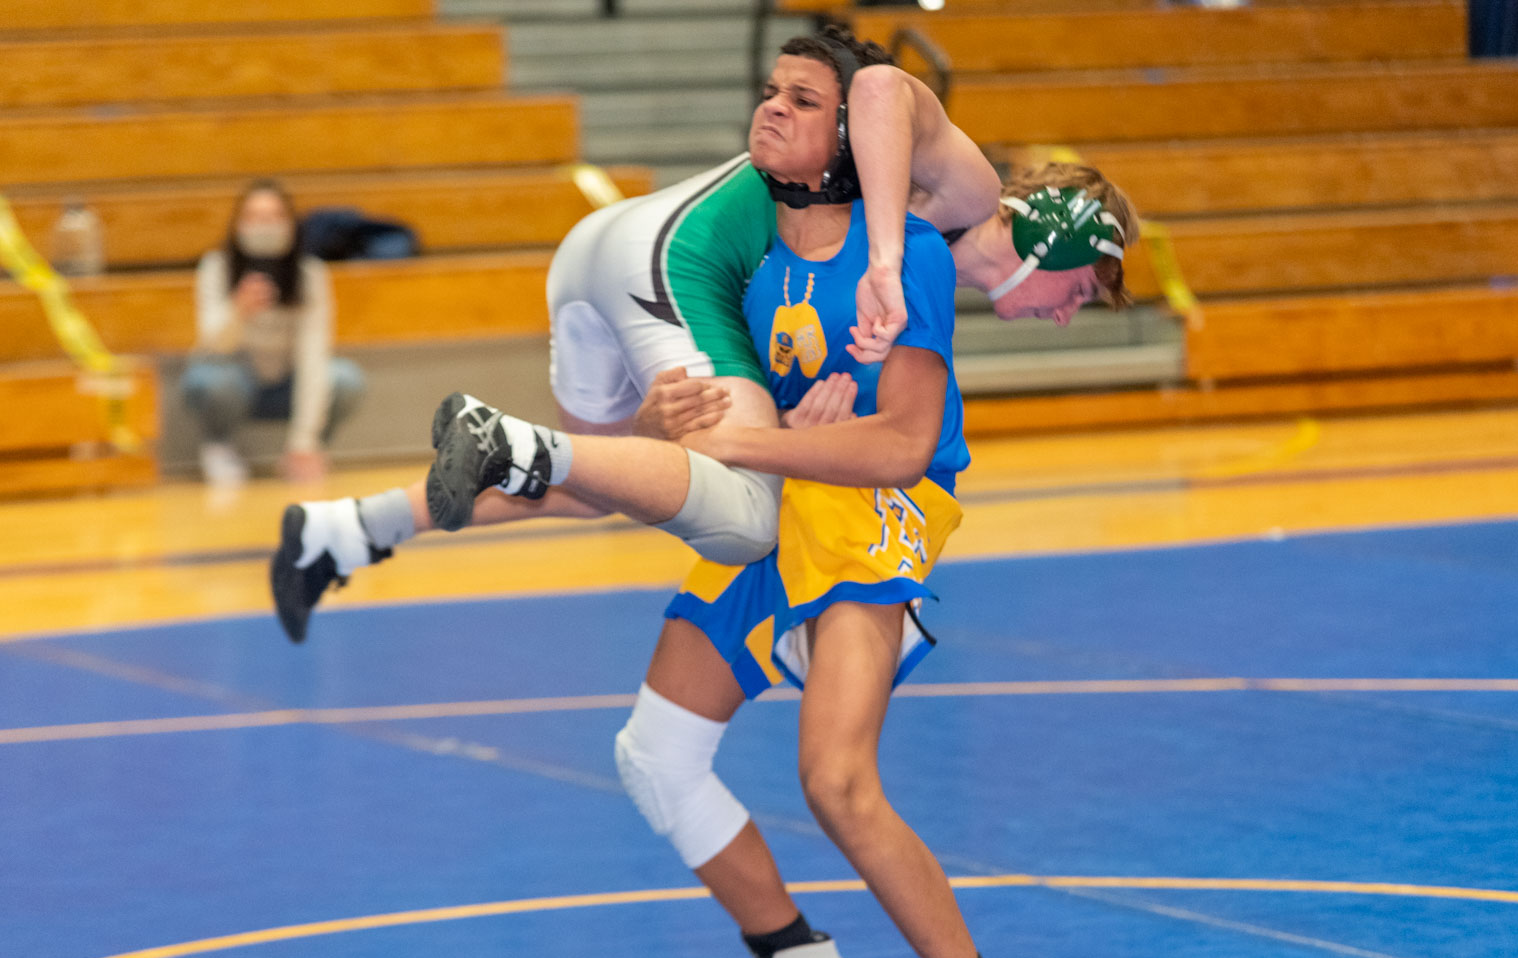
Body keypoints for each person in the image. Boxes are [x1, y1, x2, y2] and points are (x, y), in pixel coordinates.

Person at [416, 36, 1134, 958]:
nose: (1068, 316)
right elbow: (871, 107)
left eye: (797, 100)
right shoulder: (786, 241)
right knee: (654, 754)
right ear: (1052, 249)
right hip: (787, 488)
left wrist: (747, 438)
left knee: (835, 781)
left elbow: (901, 446)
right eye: (1079, 291)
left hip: (858, 511)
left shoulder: (921, 242)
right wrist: (714, 422)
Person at [268, 26, 1001, 641]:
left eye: (800, 99)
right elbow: (894, 107)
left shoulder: (853, 218)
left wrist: (672, 437)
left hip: (596, 252)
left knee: (602, 480)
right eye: (773, 93)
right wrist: (893, 262)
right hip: (662, 265)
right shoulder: (904, 179)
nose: (773, 108)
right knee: (749, 521)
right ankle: (511, 441)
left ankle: (352, 527)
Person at [182, 179, 364, 487]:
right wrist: (238, 311)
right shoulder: (217, 267)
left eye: (274, 217)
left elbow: (314, 357)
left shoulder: (309, 274)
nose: (265, 226)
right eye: (254, 217)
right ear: (237, 226)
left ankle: (309, 453)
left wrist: (303, 441)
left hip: (285, 387)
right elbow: (211, 348)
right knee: (209, 381)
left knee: (345, 379)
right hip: (238, 385)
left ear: (291, 225)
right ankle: (219, 446)